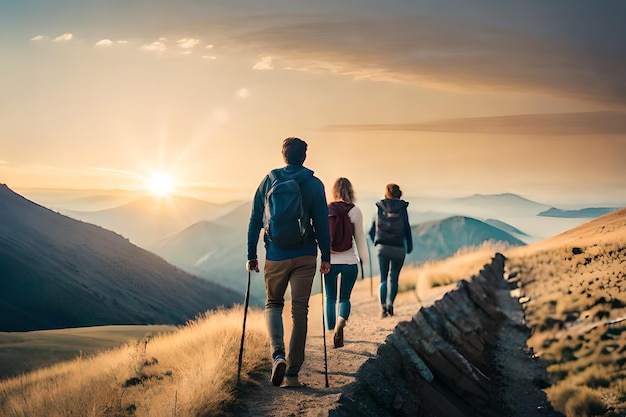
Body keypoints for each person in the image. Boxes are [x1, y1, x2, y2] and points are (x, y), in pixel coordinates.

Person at [247, 137, 331, 388]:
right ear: (304, 157)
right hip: (306, 254)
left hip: (275, 254)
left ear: (283, 156)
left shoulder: (268, 181)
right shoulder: (315, 184)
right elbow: (322, 225)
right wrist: (326, 257)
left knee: (273, 304)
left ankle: (277, 356)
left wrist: (251, 254)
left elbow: (255, 220)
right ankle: (293, 374)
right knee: (299, 311)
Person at [325, 177, 369, 348]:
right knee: (345, 298)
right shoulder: (355, 211)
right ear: (350, 191)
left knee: (330, 298)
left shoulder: (325, 209)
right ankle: (340, 322)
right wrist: (363, 260)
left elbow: (321, 237)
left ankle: (330, 332)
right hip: (350, 261)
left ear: (334, 191)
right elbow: (360, 239)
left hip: (330, 262)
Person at [368, 183, 412, 318]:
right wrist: (409, 246)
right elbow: (407, 228)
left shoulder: (380, 208)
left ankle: (383, 307)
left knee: (383, 279)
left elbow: (371, 231)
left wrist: (376, 242)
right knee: (394, 277)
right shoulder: (402, 208)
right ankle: (390, 305)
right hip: (399, 247)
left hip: (383, 247)